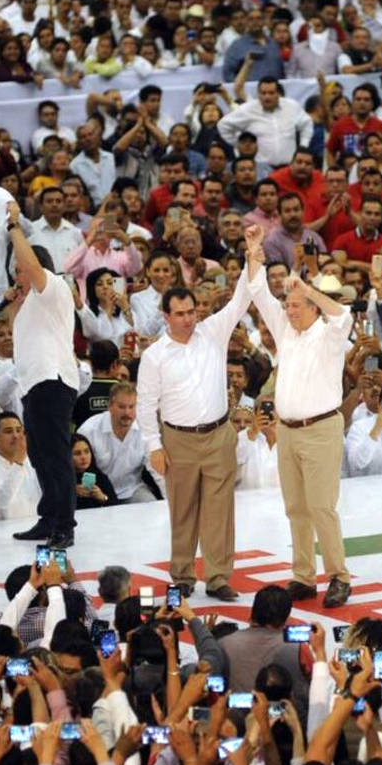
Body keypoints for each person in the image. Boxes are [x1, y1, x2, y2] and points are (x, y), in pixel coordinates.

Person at [137, 236, 254, 602]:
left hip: (219, 433)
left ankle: (219, 577)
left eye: (192, 312)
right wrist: (154, 445)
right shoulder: (155, 356)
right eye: (181, 314)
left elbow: (240, 300)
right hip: (178, 439)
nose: (189, 319)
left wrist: (252, 257)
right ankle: (183, 574)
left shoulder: (213, 333)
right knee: (183, 509)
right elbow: (145, 404)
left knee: (221, 510)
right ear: (166, 316)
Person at [245, 230, 353, 608]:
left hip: (321, 428)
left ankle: (339, 576)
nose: (288, 310)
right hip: (288, 431)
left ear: (312, 307)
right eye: (287, 305)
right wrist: (253, 251)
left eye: (296, 305)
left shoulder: (329, 335)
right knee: (296, 507)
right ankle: (304, 575)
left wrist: (308, 287)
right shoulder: (286, 331)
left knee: (322, 506)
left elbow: (344, 314)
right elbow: (258, 291)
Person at [3, 201, 79, 548]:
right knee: (41, 455)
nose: (17, 276)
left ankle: (65, 524)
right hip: (34, 383)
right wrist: (16, 303)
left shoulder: (55, 287)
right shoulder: (33, 301)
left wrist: (14, 228)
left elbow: (31, 264)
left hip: (53, 380)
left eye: (19, 270)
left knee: (55, 454)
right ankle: (49, 518)